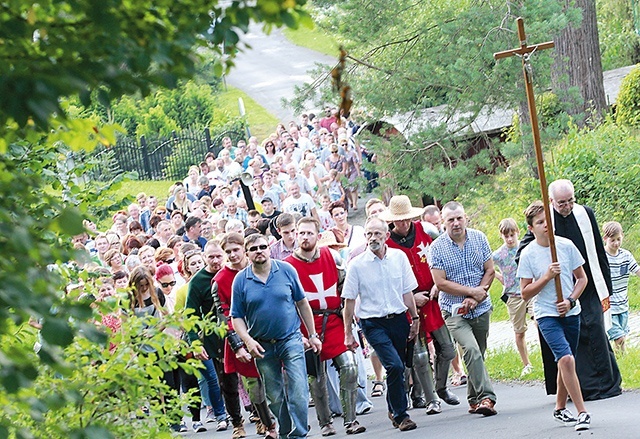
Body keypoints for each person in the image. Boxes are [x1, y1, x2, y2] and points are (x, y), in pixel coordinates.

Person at [518, 179, 622, 401]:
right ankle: (582, 389)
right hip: (559, 288)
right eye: (561, 203)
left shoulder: (586, 214)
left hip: (588, 283)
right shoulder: (545, 220)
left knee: (594, 328)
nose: (566, 207)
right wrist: (544, 269)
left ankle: (607, 384)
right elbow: (525, 250)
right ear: (552, 201)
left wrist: (608, 286)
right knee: (573, 339)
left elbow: (598, 249)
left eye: (570, 201)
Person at [231, 233, 322, 439]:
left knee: (299, 390)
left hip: (290, 338)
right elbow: (236, 317)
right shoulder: (241, 280)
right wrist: (248, 340)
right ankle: (286, 430)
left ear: (269, 248)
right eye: (253, 249)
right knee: (274, 396)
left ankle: (298, 434)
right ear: (247, 254)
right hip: (262, 345)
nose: (259, 251)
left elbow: (302, 303)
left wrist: (313, 334)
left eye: (262, 246)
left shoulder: (286, 270)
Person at [285, 218, 366, 436]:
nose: (304, 237)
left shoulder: (332, 257)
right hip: (306, 325)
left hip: (333, 321)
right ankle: (325, 422)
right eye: (301, 233)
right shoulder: (288, 266)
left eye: (309, 233)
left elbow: (345, 288)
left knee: (349, 366)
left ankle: (351, 420)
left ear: (317, 236)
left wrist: (348, 319)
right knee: (316, 376)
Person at [379, 195, 459, 415]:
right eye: (399, 220)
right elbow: (384, 279)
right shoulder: (386, 244)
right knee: (420, 356)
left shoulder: (428, 232)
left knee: (448, 349)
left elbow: (444, 256)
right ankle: (430, 398)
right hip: (408, 306)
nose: (404, 224)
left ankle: (441, 388)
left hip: (434, 300)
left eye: (406, 219)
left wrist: (438, 284)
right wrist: (410, 298)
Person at [517, 200, 591, 431]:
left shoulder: (566, 246)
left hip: (570, 312)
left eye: (547, 220)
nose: (546, 226)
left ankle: (559, 408)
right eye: (540, 223)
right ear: (531, 228)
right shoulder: (529, 254)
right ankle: (582, 412)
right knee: (566, 359)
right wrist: (547, 277)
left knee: (565, 360)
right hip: (546, 314)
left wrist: (570, 300)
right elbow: (525, 292)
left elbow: (582, 278)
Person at [343, 217, 420, 432]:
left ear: (387, 236)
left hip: (398, 320)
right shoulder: (357, 265)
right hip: (373, 323)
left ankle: (393, 408)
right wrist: (347, 332)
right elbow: (349, 300)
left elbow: (407, 291)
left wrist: (415, 318)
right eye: (369, 234)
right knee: (393, 366)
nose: (373, 238)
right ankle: (402, 415)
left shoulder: (399, 258)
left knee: (399, 367)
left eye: (378, 233)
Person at [429, 201, 497, 416]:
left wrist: (477, 296)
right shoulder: (436, 248)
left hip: (481, 306)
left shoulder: (479, 238)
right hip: (453, 310)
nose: (456, 223)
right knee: (471, 349)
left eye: (459, 218)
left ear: (466, 218)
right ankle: (487, 397)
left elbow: (490, 270)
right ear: (443, 222)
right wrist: (469, 293)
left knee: (478, 354)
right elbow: (440, 282)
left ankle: (473, 400)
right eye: (451, 220)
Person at [216, 233, 277, 439]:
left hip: (268, 333)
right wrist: (238, 345)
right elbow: (224, 316)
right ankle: (266, 423)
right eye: (228, 252)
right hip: (240, 339)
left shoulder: (262, 268)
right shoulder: (220, 280)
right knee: (253, 385)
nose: (233, 255)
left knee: (276, 381)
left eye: (236, 250)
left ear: (244, 249)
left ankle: (281, 421)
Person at [186, 241, 245, 439]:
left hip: (243, 330)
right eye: (210, 257)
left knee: (252, 378)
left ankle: (259, 416)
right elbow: (190, 314)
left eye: (218, 256)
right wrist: (195, 342)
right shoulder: (198, 281)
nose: (215, 260)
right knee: (227, 382)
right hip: (216, 338)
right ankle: (236, 421)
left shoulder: (236, 274)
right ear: (204, 257)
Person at [492, 218, 533, 376]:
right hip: (513, 295)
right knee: (519, 331)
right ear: (501, 236)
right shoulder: (499, 254)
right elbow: (485, 265)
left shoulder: (525, 247)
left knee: (540, 321)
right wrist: (497, 275)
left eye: (512, 235)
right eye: (506, 236)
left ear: (517, 233)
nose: (510, 239)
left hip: (530, 290)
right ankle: (526, 363)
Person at [602, 221, 640, 352]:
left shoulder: (626, 255)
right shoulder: (602, 256)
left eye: (619, 239)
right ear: (605, 239)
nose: (616, 243)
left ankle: (620, 359)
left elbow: (637, 270)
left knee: (622, 337)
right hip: (608, 306)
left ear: (622, 236)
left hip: (623, 303)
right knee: (619, 337)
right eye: (613, 240)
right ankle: (618, 359)